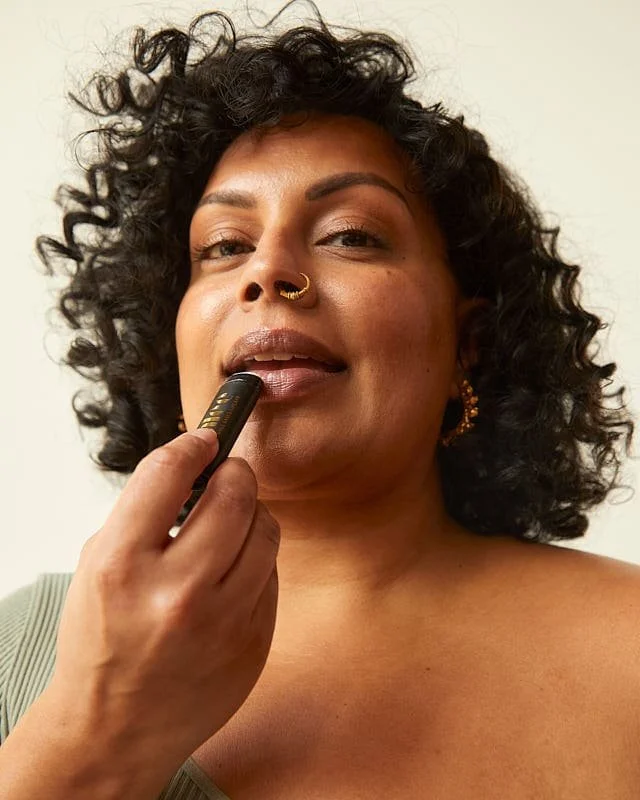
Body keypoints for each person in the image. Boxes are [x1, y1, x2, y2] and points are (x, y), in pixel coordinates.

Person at [0, 4, 637, 799]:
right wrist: (91, 735)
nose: (265, 272)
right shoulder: (20, 648)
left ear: (466, 345)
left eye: (351, 235)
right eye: (223, 247)